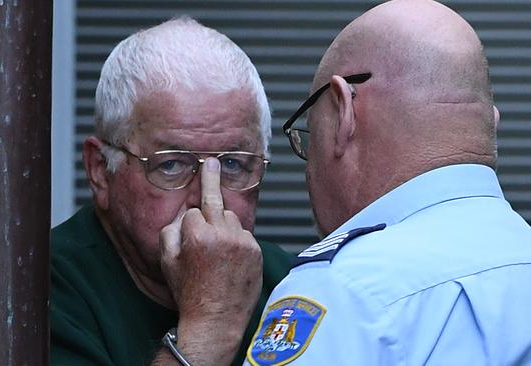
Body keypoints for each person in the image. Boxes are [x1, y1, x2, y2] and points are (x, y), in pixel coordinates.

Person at [159, 0, 531, 365]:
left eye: (309, 133)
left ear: (344, 111)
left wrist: (207, 328)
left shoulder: (344, 292)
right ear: (489, 124)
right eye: (172, 163)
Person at [50, 17, 293, 365]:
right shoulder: (37, 292)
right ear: (100, 171)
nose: (206, 198)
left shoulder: (292, 287)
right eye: (171, 164)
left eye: (233, 165)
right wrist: (212, 323)